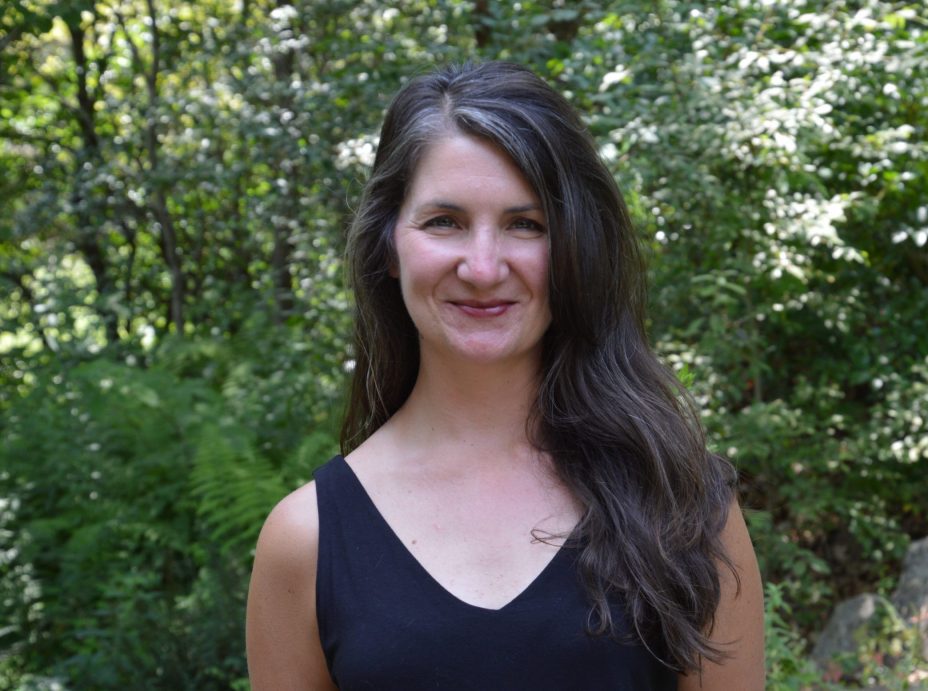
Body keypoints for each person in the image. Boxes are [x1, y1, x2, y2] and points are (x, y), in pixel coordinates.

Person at [246, 61, 764, 690]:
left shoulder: (682, 505)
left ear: (576, 248)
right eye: (445, 222)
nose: (485, 267)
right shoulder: (307, 541)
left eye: (526, 224)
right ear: (388, 245)